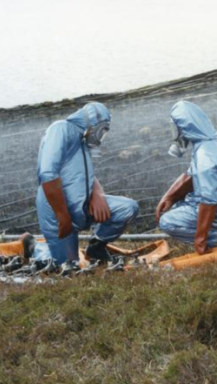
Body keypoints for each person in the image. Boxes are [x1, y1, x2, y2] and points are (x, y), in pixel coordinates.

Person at [34, 102, 139, 264]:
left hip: (82, 208)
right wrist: (62, 215)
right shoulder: (61, 129)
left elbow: (84, 173)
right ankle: (34, 247)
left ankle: (96, 247)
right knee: (66, 266)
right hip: (57, 213)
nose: (100, 136)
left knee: (127, 208)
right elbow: (48, 174)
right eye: (101, 130)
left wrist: (97, 194)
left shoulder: (82, 142)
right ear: (92, 123)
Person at [155, 101, 217, 254]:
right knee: (180, 207)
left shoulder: (206, 155)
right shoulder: (211, 143)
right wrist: (170, 197)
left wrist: (200, 240)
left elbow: (209, 200)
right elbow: (191, 176)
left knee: (167, 222)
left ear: (183, 128)